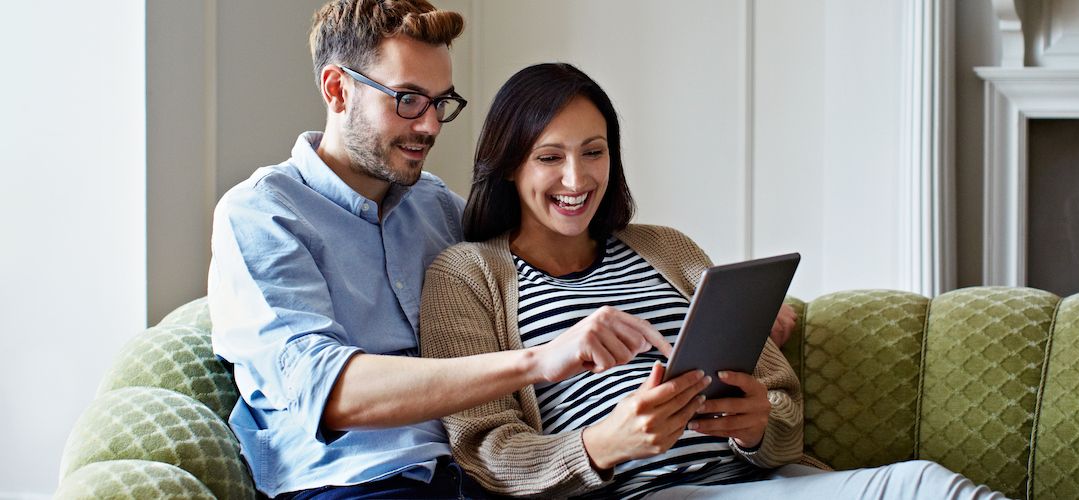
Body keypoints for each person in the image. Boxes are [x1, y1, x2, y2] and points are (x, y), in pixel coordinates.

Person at [418, 63, 1009, 499]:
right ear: (510, 163)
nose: (576, 177)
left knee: (934, 487)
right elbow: (482, 448)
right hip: (640, 492)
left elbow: (780, 398)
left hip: (766, 482)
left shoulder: (667, 248)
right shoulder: (467, 275)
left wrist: (758, 428)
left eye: (593, 152)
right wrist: (604, 444)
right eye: (549, 157)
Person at [208, 2, 678, 498]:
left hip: (487, 477)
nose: (431, 125)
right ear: (336, 89)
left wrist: (747, 314)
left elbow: (551, 273)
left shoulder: (438, 207)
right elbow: (330, 392)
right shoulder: (263, 215)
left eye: (440, 102)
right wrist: (537, 361)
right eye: (408, 99)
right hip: (359, 482)